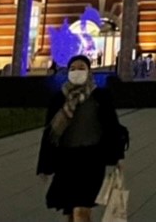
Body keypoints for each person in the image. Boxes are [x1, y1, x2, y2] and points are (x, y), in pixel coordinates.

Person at [37, 55, 128, 222]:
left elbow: (112, 127)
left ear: (89, 71)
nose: (76, 72)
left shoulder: (99, 97)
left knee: (81, 209)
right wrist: (44, 166)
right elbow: (49, 134)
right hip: (66, 161)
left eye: (81, 68)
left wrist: (118, 156)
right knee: (70, 212)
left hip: (91, 160)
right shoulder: (60, 99)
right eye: (73, 69)